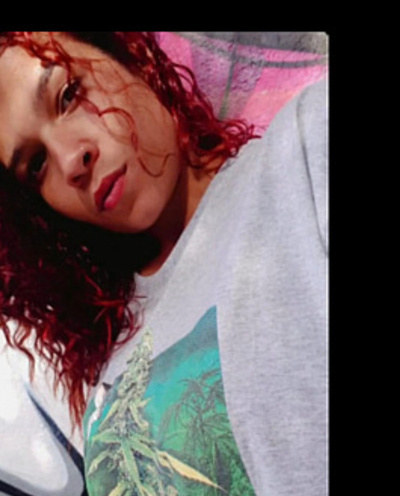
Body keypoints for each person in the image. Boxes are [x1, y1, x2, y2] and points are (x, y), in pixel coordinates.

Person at [0, 32, 328, 496]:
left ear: (129, 55)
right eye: (36, 164)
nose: (70, 160)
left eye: (68, 95)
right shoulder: (111, 362)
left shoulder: (304, 151)